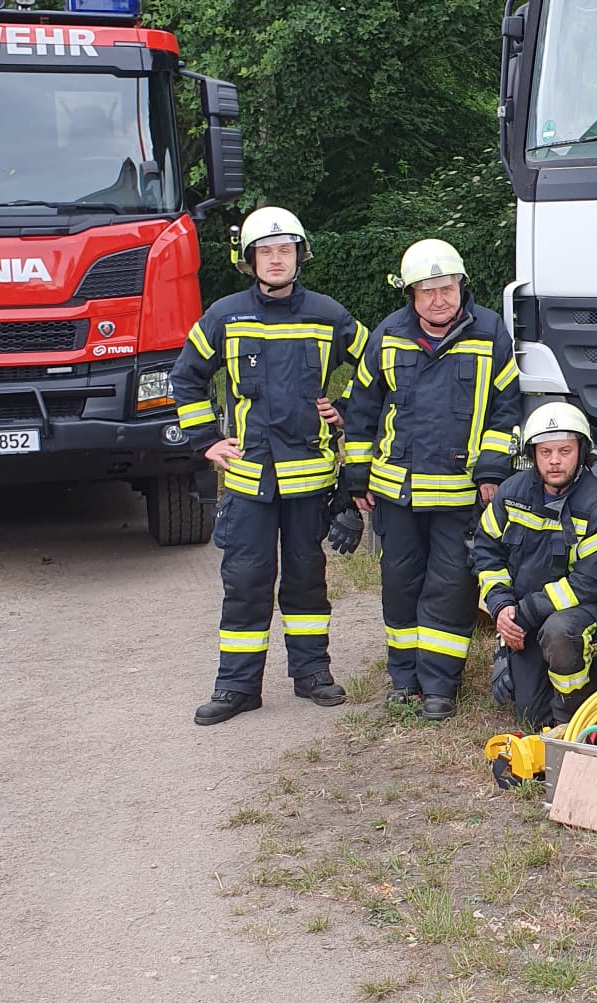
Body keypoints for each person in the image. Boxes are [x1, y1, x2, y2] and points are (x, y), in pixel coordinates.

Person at [171, 205, 365, 726]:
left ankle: (311, 675)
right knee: (247, 582)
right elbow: (186, 375)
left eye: (284, 250)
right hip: (249, 479)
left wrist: (345, 411)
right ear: (249, 259)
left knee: (305, 580)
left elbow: (378, 370)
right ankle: (237, 688)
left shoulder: (327, 314)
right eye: (266, 251)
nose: (276, 260)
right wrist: (205, 439)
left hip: (308, 480)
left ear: (298, 256)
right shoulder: (225, 316)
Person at [341, 238, 518, 720]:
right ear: (411, 295)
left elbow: (505, 410)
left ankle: (440, 686)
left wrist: (492, 468)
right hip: (396, 492)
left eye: (446, 289)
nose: (439, 300)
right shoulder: (388, 335)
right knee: (399, 585)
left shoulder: (490, 334)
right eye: (427, 292)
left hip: (460, 494)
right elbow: (361, 409)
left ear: (462, 286)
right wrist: (357, 477)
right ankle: (404, 681)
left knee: (450, 587)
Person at [471, 401, 597, 728]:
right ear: (532, 455)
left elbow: (591, 583)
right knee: (529, 718)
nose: (555, 461)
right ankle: (594, 673)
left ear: (582, 452)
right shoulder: (511, 493)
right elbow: (486, 551)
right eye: (545, 452)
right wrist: (501, 608)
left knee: (560, 632)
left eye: (565, 451)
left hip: (583, 609)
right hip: (523, 613)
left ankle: (571, 714)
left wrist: (524, 614)